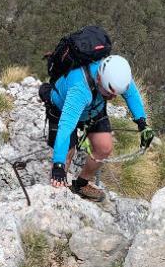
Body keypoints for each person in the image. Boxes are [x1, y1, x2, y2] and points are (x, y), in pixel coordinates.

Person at [45, 53, 154, 202]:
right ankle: (58, 198)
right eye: (110, 94)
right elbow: (66, 127)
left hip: (93, 108)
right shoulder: (80, 88)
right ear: (98, 79)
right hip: (62, 107)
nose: (113, 98)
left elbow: (131, 94)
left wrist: (142, 123)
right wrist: (58, 164)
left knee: (104, 147)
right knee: (67, 154)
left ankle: (80, 185)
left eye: (116, 94)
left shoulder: (116, 74)